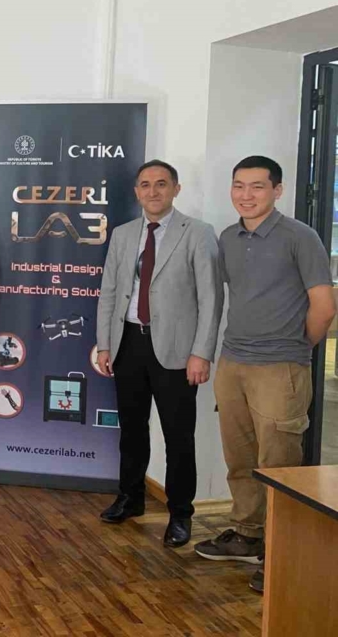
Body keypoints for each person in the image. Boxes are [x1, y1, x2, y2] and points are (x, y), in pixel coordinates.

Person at [194, 156, 335, 594]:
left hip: (280, 366)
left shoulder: (300, 237)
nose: (246, 195)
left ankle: (282, 550)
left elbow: (324, 306)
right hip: (234, 362)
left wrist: (295, 348)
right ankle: (248, 534)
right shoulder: (228, 237)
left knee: (279, 463)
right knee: (240, 457)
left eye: (257, 186)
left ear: (278, 190)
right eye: (239, 185)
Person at [95, 159, 223, 548]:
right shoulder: (123, 234)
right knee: (132, 430)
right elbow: (109, 292)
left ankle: (180, 513)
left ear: (176, 189)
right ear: (137, 191)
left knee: (178, 436)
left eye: (161, 184)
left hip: (177, 351)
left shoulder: (198, 233)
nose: (153, 191)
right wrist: (105, 343)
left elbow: (211, 298)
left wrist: (201, 352)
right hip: (128, 343)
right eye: (146, 184)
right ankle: (130, 497)